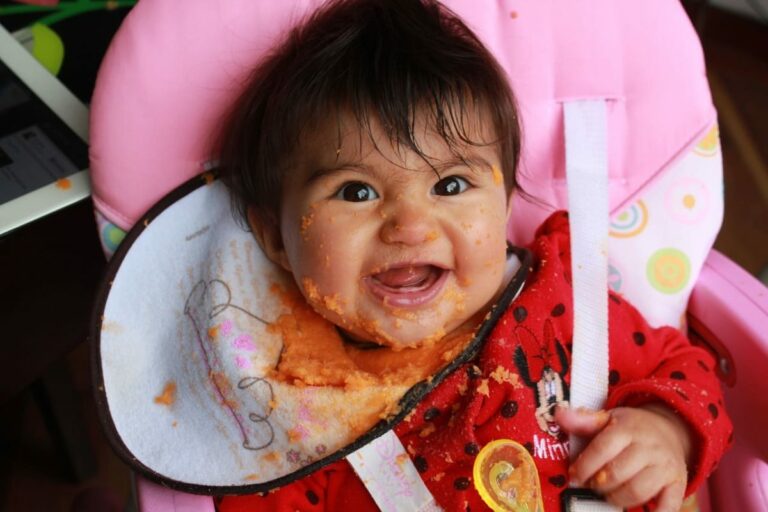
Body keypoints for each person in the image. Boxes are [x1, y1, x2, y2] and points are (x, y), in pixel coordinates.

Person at [214, 0, 732, 510]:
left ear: (504, 205)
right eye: (356, 192)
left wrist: (666, 431)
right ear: (276, 236)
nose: (410, 226)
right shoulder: (281, 403)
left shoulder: (561, 302)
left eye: (452, 183)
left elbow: (683, 367)